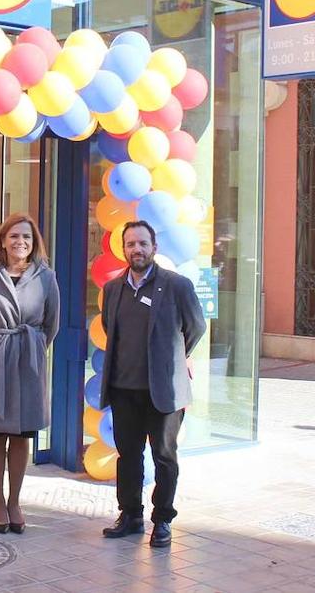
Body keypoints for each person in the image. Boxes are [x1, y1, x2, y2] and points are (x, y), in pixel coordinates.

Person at [99, 220, 205, 547]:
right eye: (130, 244)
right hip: (123, 389)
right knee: (128, 456)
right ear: (123, 249)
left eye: (143, 243)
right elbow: (108, 328)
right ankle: (130, 514)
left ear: (154, 247)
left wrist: (173, 358)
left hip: (164, 392)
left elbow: (196, 328)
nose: (137, 249)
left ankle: (162, 520)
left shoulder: (177, 286)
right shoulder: (113, 289)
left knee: (164, 458)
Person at [0, 213, 59, 534]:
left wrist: (30, 347)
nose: (21, 242)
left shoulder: (46, 277)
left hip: (28, 361)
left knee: (21, 434)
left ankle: (15, 500)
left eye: (27, 237)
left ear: (35, 244)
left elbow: (51, 325)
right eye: (15, 236)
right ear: (3, 240)